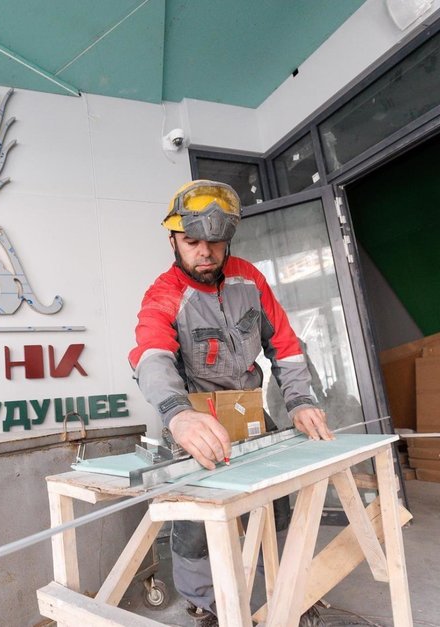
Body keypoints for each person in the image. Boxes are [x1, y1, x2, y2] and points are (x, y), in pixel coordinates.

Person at [128, 180, 334, 625]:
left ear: (228, 241)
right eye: (192, 242)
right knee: (196, 520)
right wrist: (177, 414)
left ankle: (287, 586)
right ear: (173, 240)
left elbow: (285, 345)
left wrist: (299, 400)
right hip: (195, 418)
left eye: (215, 243)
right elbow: (151, 356)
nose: (205, 253)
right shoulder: (164, 294)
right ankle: (204, 603)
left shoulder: (249, 279)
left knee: (275, 503)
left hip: (248, 410)